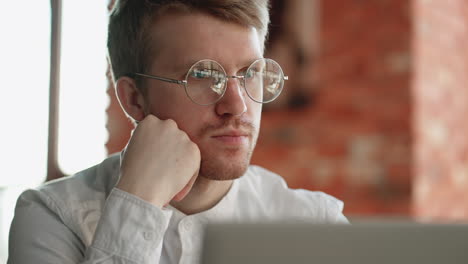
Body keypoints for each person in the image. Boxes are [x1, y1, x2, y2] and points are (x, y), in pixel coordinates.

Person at [8, 0, 348, 263]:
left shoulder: (314, 224)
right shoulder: (52, 216)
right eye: (201, 75)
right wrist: (137, 201)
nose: (237, 105)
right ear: (134, 98)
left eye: (249, 73)